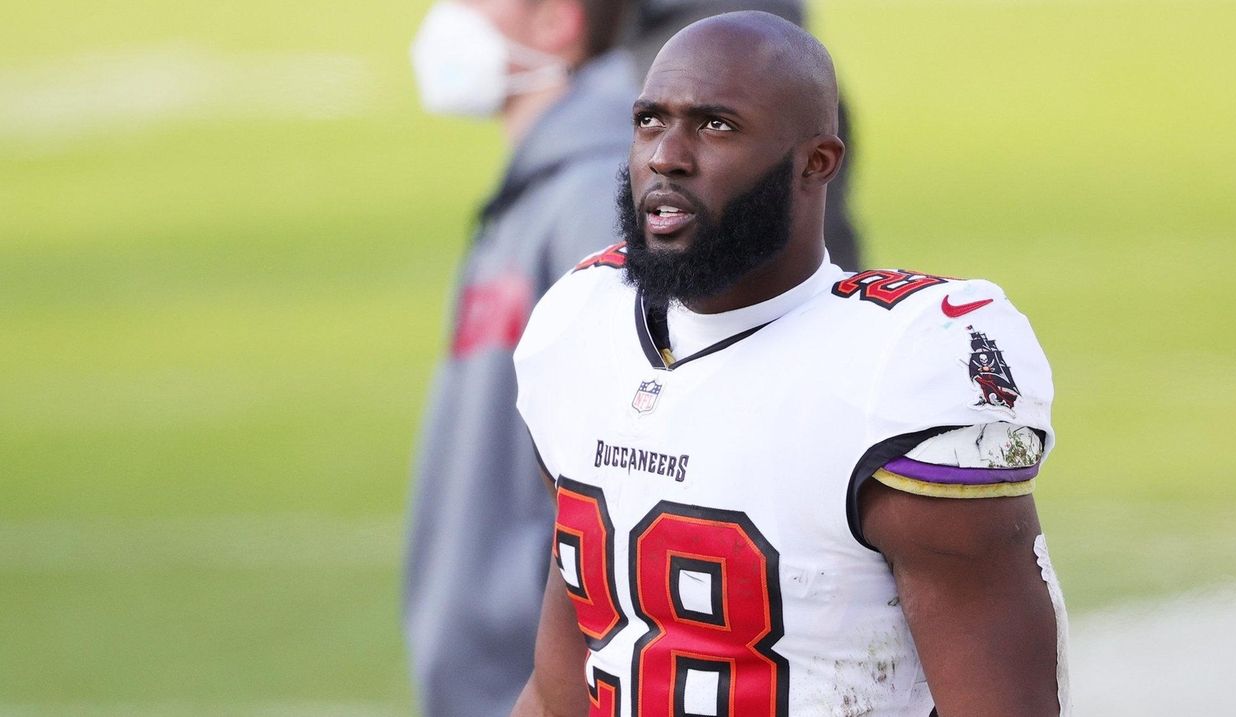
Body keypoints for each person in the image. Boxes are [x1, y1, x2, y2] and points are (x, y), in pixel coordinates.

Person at [511, 11, 1068, 717]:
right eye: (651, 121)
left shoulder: (896, 370)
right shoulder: (579, 323)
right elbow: (563, 685)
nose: (667, 156)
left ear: (817, 163)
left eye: (716, 126)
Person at [402, 2, 863, 715]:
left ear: (557, 20)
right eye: (651, 123)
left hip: (577, 675)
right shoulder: (548, 190)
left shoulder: (602, 200)